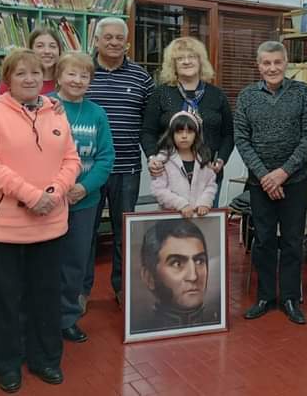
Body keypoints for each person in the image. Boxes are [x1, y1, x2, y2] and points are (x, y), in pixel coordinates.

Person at [0, 49, 81, 393]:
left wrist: (54, 191)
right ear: (8, 79)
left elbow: (71, 158)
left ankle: (45, 359)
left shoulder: (55, 111)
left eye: (35, 73)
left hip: (50, 222)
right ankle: (5, 364)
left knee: (45, 295)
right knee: (5, 298)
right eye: (21, 74)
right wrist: (32, 196)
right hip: (4, 227)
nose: (30, 79)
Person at [234, 41, 307, 325]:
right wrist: (264, 176)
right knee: (264, 240)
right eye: (266, 63)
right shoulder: (246, 97)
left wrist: (282, 173)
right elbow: (242, 140)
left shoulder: (302, 93)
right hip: (259, 184)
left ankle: (291, 298)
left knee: (293, 242)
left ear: (286, 63)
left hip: (295, 181)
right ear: (258, 66)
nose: (272, 68)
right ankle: (265, 296)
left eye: (277, 62)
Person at [84, 17, 154, 308]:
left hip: (127, 170)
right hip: (86, 173)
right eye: (107, 37)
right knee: (84, 235)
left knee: (124, 234)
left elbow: (151, 124)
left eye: (119, 38)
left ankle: (123, 289)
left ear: (127, 43)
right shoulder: (83, 72)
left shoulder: (141, 78)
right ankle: (80, 293)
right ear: (97, 41)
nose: (113, 42)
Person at [51, 52, 114, 344]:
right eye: (71, 74)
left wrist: (84, 188)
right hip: (47, 202)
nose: (77, 80)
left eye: (84, 76)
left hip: (84, 201)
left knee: (75, 263)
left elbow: (105, 158)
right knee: (46, 262)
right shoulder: (45, 106)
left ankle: (66, 318)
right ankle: (41, 318)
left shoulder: (97, 113)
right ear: (59, 75)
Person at [142, 37, 234, 205]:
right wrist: (152, 158)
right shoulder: (161, 94)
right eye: (180, 58)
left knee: (205, 227)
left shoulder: (217, 95)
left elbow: (228, 134)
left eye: (191, 56)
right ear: (173, 64)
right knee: (173, 229)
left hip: (208, 174)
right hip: (169, 175)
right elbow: (148, 131)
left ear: (200, 61)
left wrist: (221, 160)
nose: (186, 62)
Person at [133, 218, 219, 332]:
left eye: (199, 261)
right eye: (177, 263)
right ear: (149, 277)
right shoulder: (141, 330)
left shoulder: (216, 320)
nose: (193, 276)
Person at [149, 111, 218, 217]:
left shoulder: (203, 159)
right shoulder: (163, 159)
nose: (184, 136)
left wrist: (205, 203)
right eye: (179, 132)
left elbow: (211, 185)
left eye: (189, 132)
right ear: (172, 134)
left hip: (197, 218)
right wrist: (181, 204)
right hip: (171, 219)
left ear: (196, 135)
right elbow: (158, 190)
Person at [0, 27, 62, 96]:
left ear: (59, 51)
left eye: (52, 46)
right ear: (30, 50)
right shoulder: (14, 79)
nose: (47, 51)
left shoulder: (67, 81)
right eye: (40, 46)